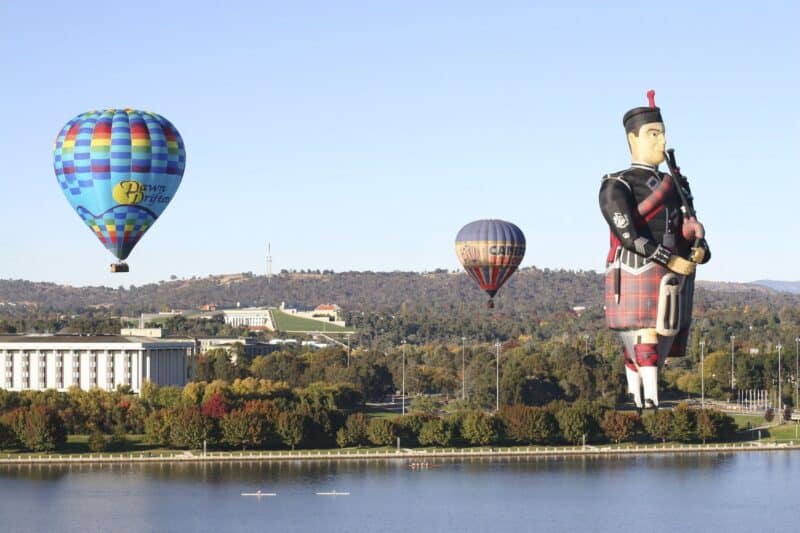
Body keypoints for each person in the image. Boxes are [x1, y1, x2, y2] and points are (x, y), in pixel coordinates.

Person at [599, 90, 711, 409]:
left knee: (662, 330)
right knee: (642, 333)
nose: (661, 142)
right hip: (636, 267)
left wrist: (697, 242)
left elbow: (686, 222)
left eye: (662, 134)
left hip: (673, 273)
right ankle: (645, 396)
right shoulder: (616, 184)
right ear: (633, 139)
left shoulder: (676, 183)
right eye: (653, 134)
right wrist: (671, 259)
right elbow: (627, 235)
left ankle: (647, 394)